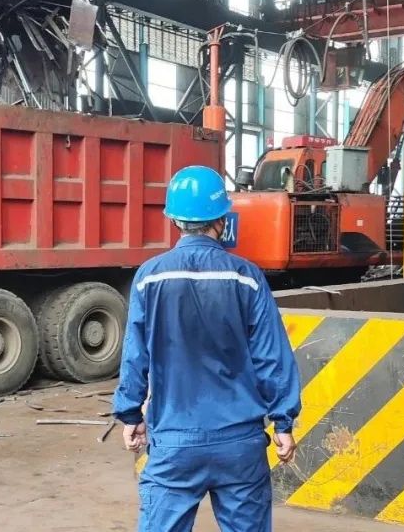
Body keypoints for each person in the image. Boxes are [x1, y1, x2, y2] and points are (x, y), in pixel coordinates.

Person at [113, 165, 302, 532]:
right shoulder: (246, 277)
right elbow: (272, 357)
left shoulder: (150, 277)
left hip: (174, 443)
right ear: (222, 219)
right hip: (240, 443)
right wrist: (283, 422)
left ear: (173, 220)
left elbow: (136, 356)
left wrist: (131, 415)